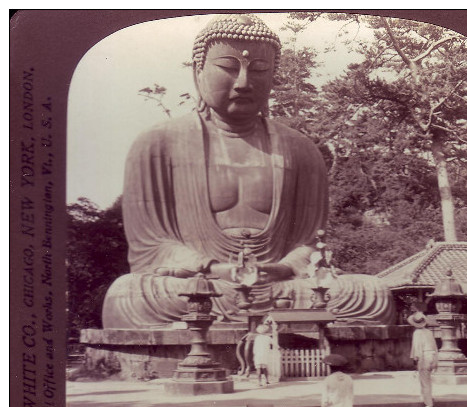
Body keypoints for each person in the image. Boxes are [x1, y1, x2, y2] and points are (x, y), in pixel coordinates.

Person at [101, 14, 394, 329]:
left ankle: (251, 315)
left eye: (259, 70)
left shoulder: (301, 150)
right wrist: (213, 268)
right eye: (228, 68)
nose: (243, 82)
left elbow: (311, 243)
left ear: (272, 77)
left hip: (279, 284)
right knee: (126, 294)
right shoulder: (158, 144)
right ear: (198, 72)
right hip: (205, 285)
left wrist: (283, 268)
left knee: (372, 292)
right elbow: (152, 246)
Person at [408, 311, 438, 407]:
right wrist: (435, 360)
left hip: (424, 357)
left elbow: (417, 349)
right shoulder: (429, 332)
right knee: (428, 381)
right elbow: (435, 346)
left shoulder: (417, 333)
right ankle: (428, 399)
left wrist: (416, 360)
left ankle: (429, 405)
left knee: (424, 382)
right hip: (432, 355)